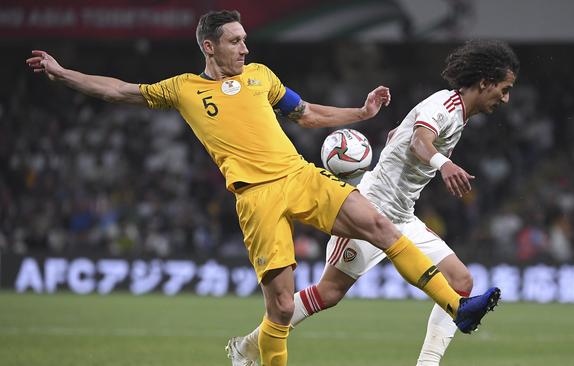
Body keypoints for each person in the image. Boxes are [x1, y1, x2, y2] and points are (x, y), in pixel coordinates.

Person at [27, 10, 500, 366]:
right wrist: (62, 72)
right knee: (279, 306)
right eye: (234, 42)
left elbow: (307, 113)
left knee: (379, 224)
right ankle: (254, 353)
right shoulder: (183, 89)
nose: (244, 49)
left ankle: (457, 306)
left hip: (300, 176)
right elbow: (118, 90)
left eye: (245, 40)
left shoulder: (261, 77)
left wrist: (360, 114)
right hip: (255, 197)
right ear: (209, 47)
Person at [228, 40, 519, 366]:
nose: (505, 99)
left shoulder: (456, 114)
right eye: (504, 89)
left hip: (402, 216)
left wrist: (402, 133)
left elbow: (405, 134)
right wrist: (444, 164)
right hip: (368, 210)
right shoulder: (446, 105)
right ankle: (249, 346)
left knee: (461, 281)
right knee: (329, 294)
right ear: (485, 83)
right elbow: (419, 140)